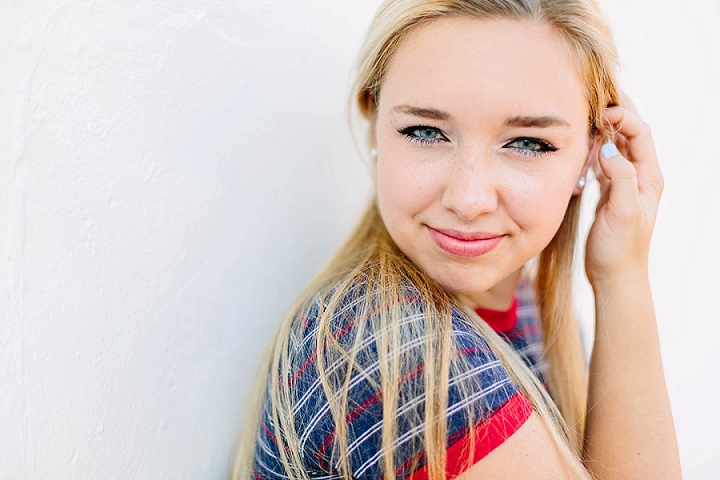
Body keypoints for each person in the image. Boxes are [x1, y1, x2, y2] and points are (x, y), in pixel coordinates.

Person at [233, 0, 681, 478]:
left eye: (528, 143)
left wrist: (621, 270)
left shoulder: (532, 310)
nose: (469, 200)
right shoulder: (390, 349)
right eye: (426, 131)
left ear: (592, 155)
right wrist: (624, 281)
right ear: (375, 122)